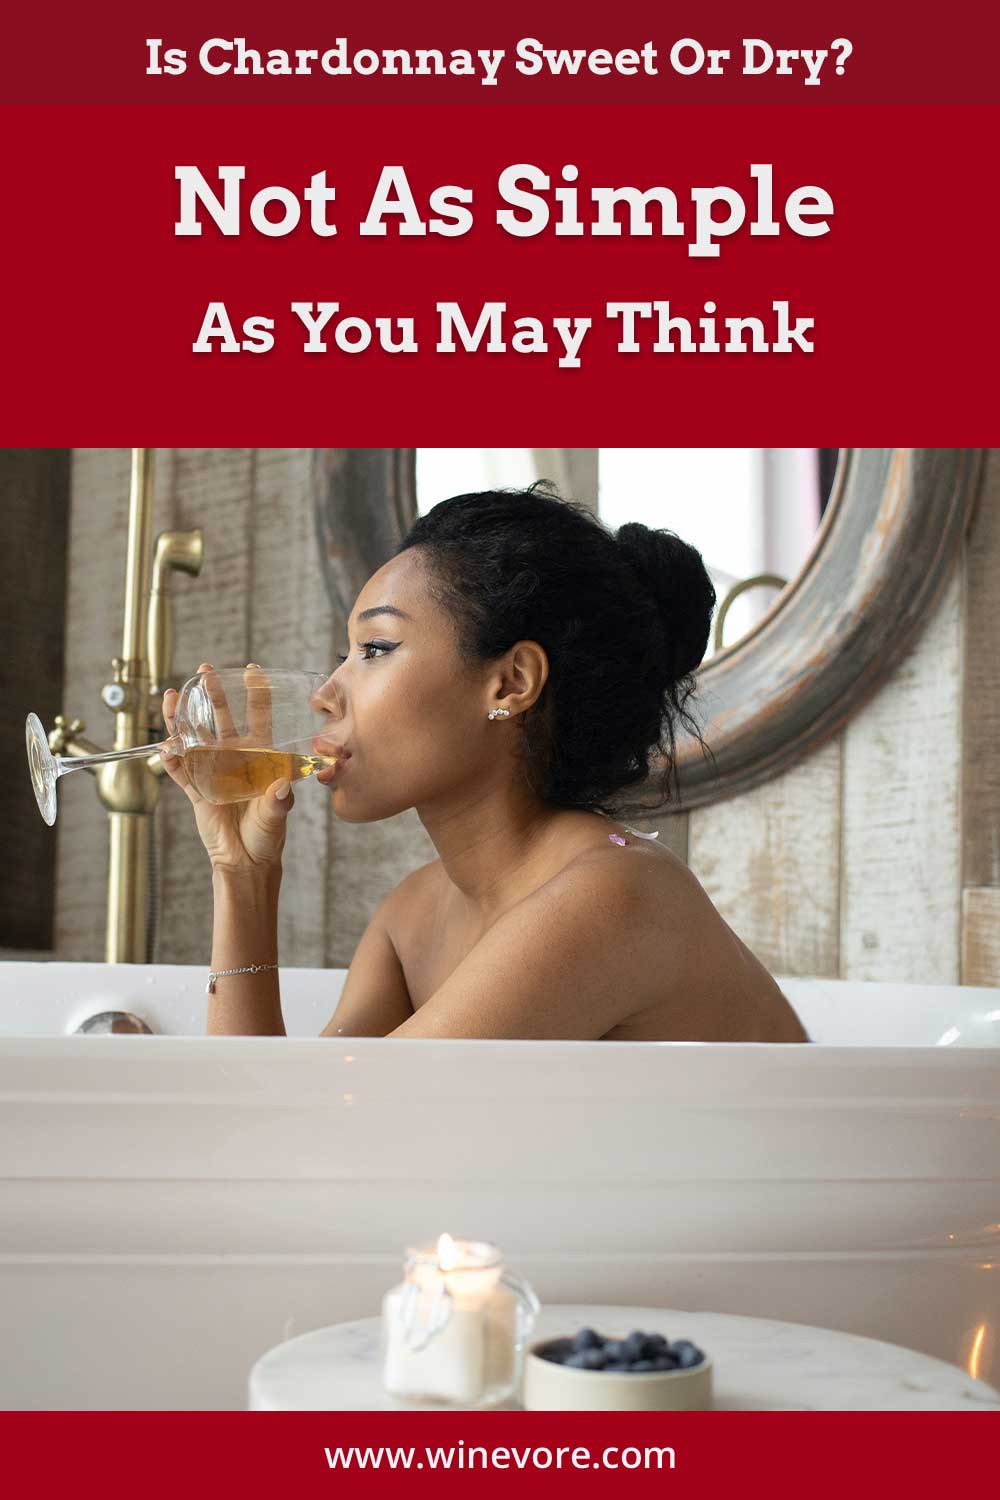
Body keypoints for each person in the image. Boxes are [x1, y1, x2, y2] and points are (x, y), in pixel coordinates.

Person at [162, 482, 808, 1043]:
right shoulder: (412, 914)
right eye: (346, 652)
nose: (325, 694)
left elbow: (319, 1133)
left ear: (511, 682)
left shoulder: (614, 893)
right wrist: (241, 878)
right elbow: (269, 1126)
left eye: (377, 649)